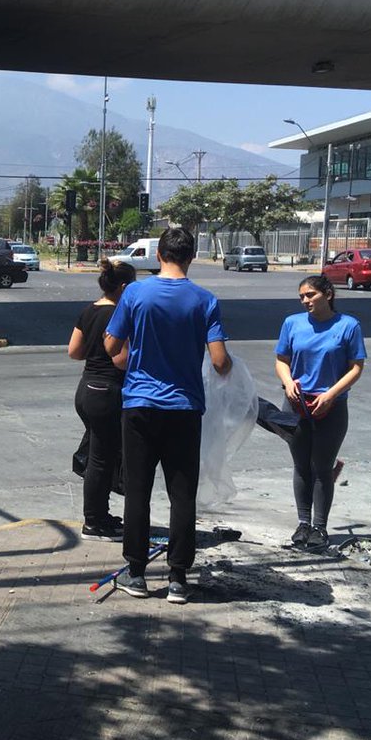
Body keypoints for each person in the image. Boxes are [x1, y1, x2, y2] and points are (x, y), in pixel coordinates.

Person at [103, 228, 231, 605]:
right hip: (185, 409)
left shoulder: (135, 294)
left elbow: (111, 345)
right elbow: (220, 361)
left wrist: (137, 349)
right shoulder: (205, 300)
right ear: (191, 257)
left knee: (138, 491)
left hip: (140, 405)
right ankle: (178, 578)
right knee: (182, 494)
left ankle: (136, 573)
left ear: (158, 255)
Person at [275, 275, 366, 553]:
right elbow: (281, 360)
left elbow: (356, 367)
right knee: (301, 465)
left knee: (322, 467)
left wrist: (331, 394)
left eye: (311, 295)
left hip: (331, 406)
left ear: (328, 294)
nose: (305, 301)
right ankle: (303, 523)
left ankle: (319, 527)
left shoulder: (348, 326)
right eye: (302, 296)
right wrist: (288, 382)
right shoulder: (292, 323)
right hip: (296, 404)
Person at [67, 260, 136, 541]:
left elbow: (74, 351)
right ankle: (94, 522)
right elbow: (121, 361)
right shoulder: (118, 315)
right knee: (101, 460)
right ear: (124, 287)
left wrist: (95, 351)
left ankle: (100, 515)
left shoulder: (89, 310)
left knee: (100, 455)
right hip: (107, 393)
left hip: (86, 390)